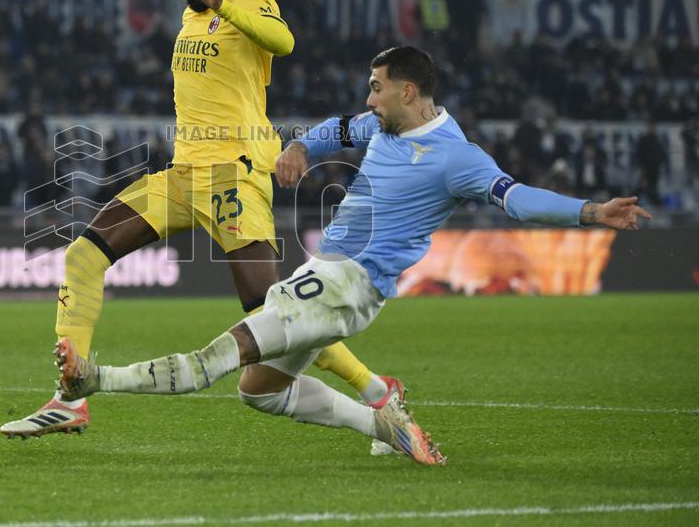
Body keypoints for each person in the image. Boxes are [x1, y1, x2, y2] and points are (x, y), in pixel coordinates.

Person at [49, 46, 651, 465]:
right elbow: (333, 129)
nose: (370, 97)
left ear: (407, 91)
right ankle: (382, 420)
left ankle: (91, 380)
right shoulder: (382, 127)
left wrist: (592, 212)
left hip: (346, 285)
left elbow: (516, 200)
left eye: (377, 87)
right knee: (258, 389)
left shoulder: (456, 157)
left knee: (215, 359)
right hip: (331, 281)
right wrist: (299, 150)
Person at [0, 0, 387, 438]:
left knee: (268, 309)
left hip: (234, 174)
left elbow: (285, 41)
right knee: (84, 254)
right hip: (183, 175)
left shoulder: (248, 0)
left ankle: (377, 390)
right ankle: (69, 398)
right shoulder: (189, 18)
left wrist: (222, 1)